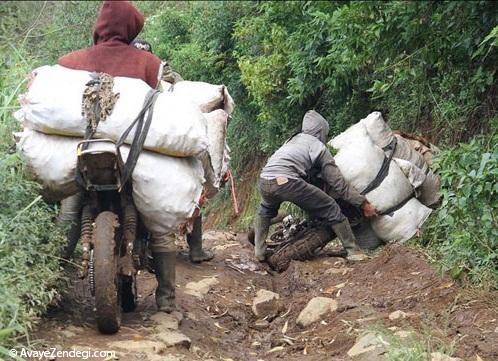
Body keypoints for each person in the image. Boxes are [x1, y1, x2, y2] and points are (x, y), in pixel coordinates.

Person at [58, 1, 176, 313]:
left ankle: (49, 287)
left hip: (82, 154)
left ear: (99, 26)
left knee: (69, 212)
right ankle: (166, 301)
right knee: (159, 221)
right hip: (133, 157)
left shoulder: (71, 61)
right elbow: (162, 107)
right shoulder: (149, 63)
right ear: (131, 28)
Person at [254, 110, 378, 261]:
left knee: (265, 210)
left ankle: (259, 252)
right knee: (331, 207)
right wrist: (363, 204)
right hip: (287, 181)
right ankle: (353, 251)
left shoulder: (292, 141)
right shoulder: (318, 146)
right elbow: (338, 183)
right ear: (321, 131)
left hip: (265, 179)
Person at [131, 38, 214, 264]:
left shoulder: (126, 79)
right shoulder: (167, 80)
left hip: (143, 144)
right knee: (192, 185)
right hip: (160, 145)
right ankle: (195, 248)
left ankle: (140, 249)